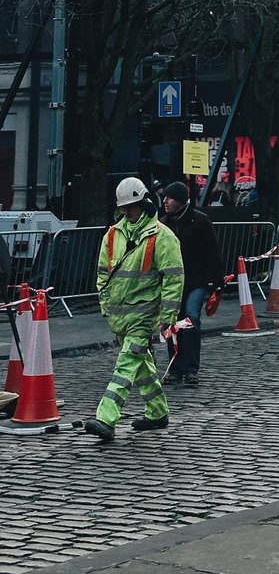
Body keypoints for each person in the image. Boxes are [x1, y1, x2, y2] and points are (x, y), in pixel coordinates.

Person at [84, 177, 184, 443]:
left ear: (143, 203)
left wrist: (167, 317)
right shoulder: (113, 234)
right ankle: (158, 412)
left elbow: (174, 277)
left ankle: (106, 417)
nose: (126, 212)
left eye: (131, 207)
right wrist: (105, 302)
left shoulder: (162, 236)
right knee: (141, 367)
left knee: (126, 364)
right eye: (123, 208)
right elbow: (103, 272)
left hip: (143, 314)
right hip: (119, 315)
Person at [160, 182, 225, 387]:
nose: (165, 201)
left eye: (169, 198)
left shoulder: (200, 222)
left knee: (191, 319)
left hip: (195, 280)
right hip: (171, 283)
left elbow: (213, 253)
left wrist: (217, 283)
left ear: (180, 200)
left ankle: (191, 369)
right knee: (172, 323)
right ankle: (175, 366)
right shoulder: (162, 224)